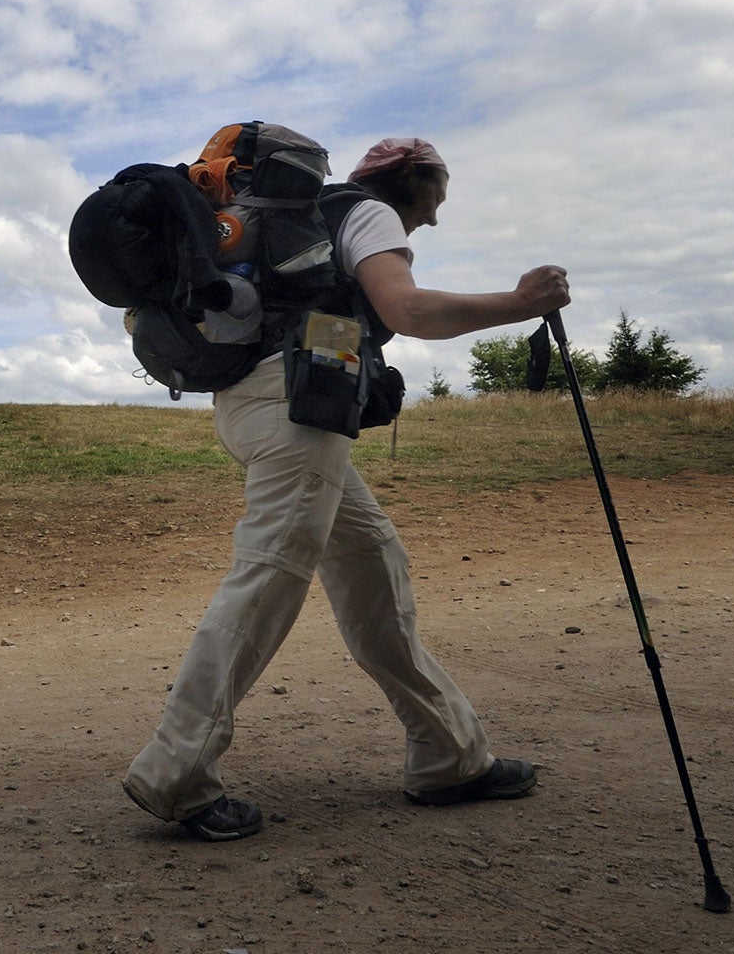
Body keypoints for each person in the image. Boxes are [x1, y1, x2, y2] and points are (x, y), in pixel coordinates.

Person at [123, 137, 570, 842]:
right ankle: (175, 771)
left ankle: (449, 755)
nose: (434, 218)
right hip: (295, 410)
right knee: (268, 579)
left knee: (373, 566)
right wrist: (519, 303)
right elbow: (409, 312)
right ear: (412, 181)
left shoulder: (309, 219)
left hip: (255, 407)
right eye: (436, 198)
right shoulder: (368, 215)